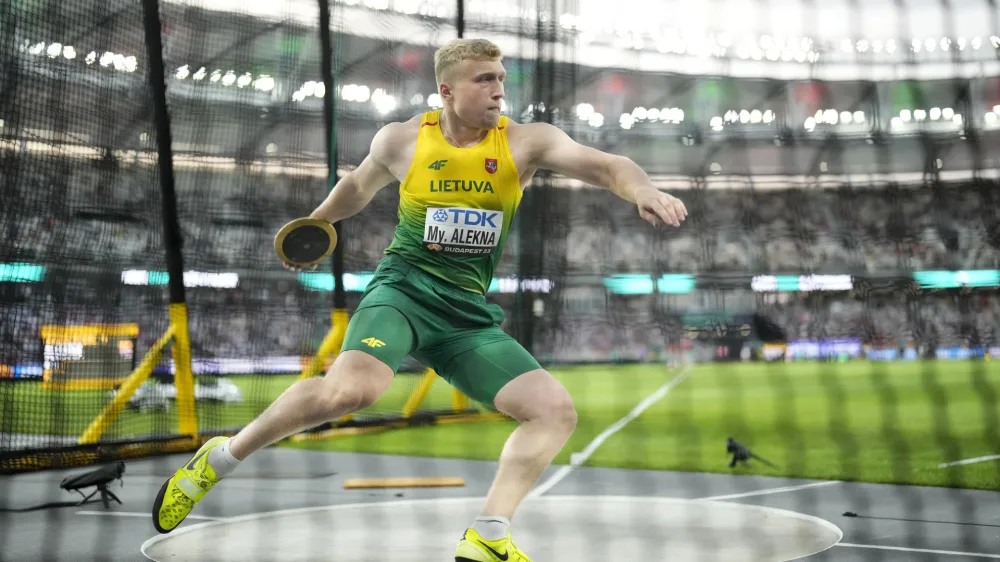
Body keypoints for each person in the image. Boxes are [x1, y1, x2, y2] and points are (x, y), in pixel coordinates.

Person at [151, 37, 687, 561]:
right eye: (485, 79)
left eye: (501, 78)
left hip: (466, 315)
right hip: (403, 292)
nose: (499, 90)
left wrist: (642, 190)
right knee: (348, 393)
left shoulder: (527, 142)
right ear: (447, 91)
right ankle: (217, 459)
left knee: (552, 412)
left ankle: (488, 535)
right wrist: (318, 224)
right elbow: (358, 187)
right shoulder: (401, 141)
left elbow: (608, 166)